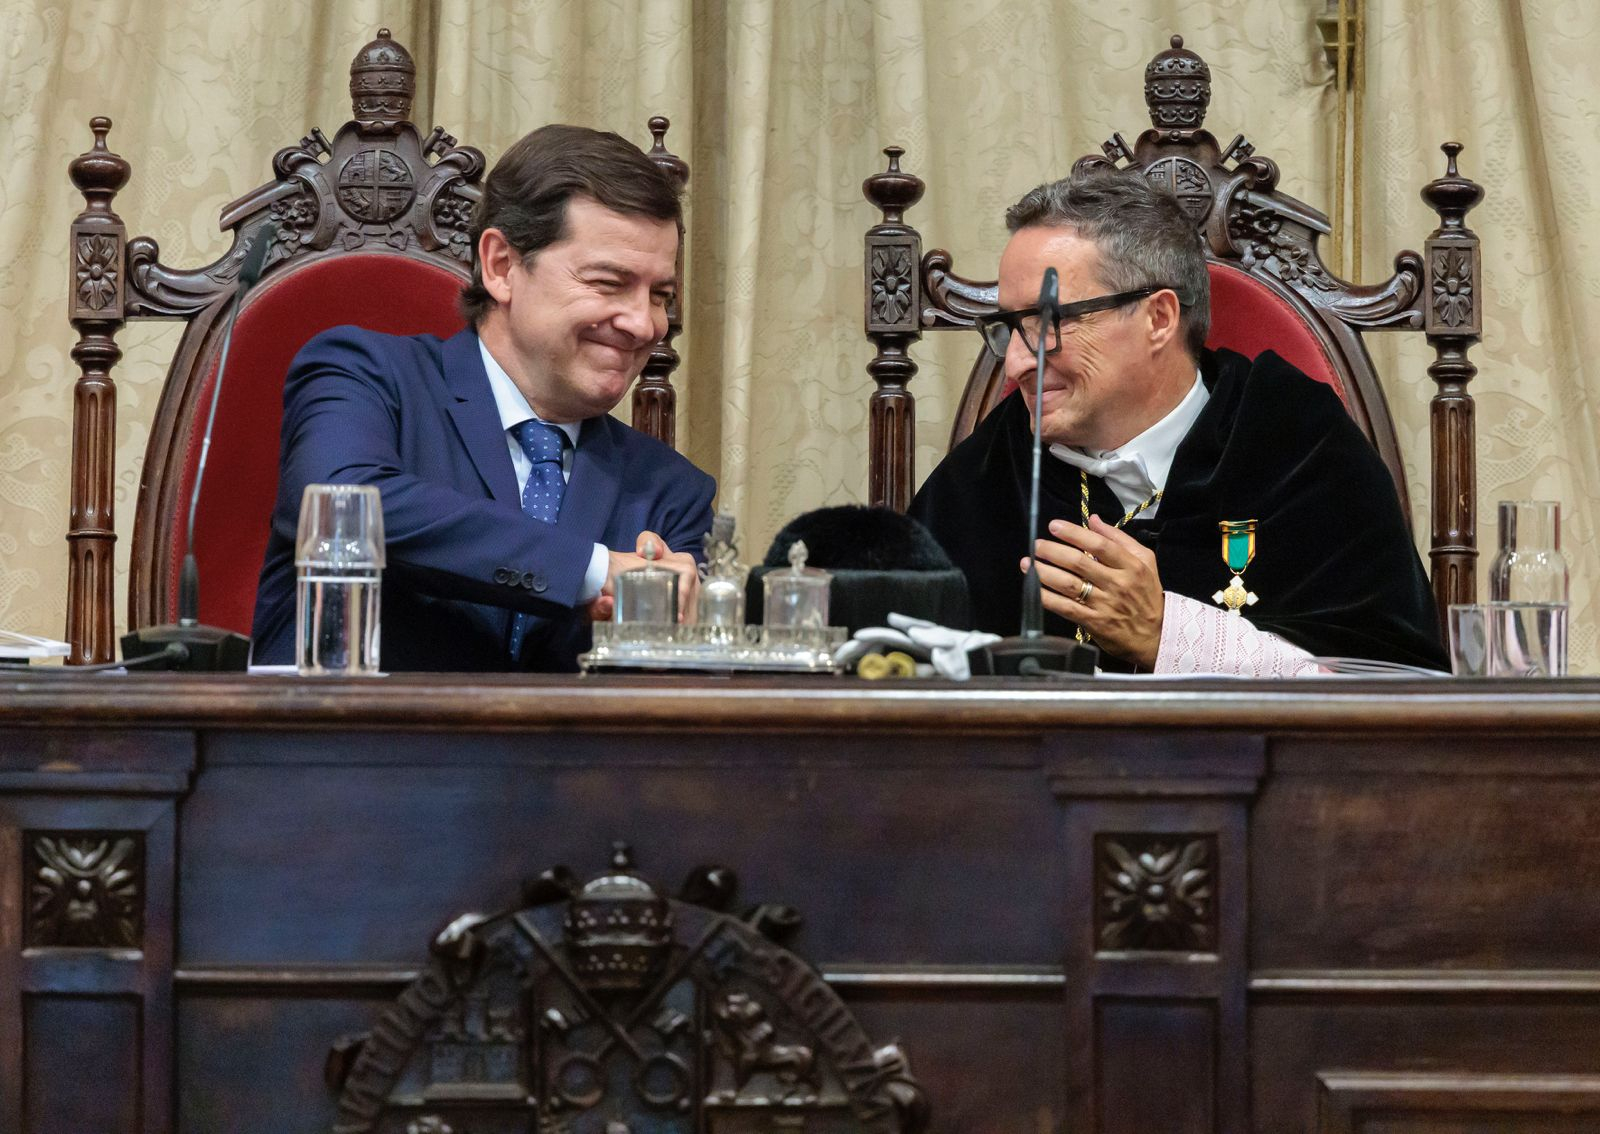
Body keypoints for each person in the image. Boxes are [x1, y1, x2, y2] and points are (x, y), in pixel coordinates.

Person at [909, 170, 1448, 675]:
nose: (1017, 364)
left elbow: (1396, 685)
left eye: (1048, 321)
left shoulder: (1300, 448)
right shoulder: (982, 478)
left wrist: (1168, 634)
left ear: (1159, 318)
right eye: (1009, 327)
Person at [251, 125, 715, 672]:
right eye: (609, 283)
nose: (644, 324)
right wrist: (593, 571)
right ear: (501, 266)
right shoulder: (365, 374)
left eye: (660, 295)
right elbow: (340, 507)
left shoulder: (670, 492)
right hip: (344, 727)